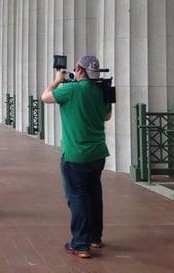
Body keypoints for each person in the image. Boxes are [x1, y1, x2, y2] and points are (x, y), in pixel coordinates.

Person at [41, 55, 112, 259]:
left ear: (79, 70)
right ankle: (95, 237)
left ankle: (80, 243)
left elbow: (45, 97)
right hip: (98, 153)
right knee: (93, 195)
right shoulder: (102, 91)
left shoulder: (71, 90)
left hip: (75, 155)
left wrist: (57, 80)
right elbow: (107, 116)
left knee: (78, 197)